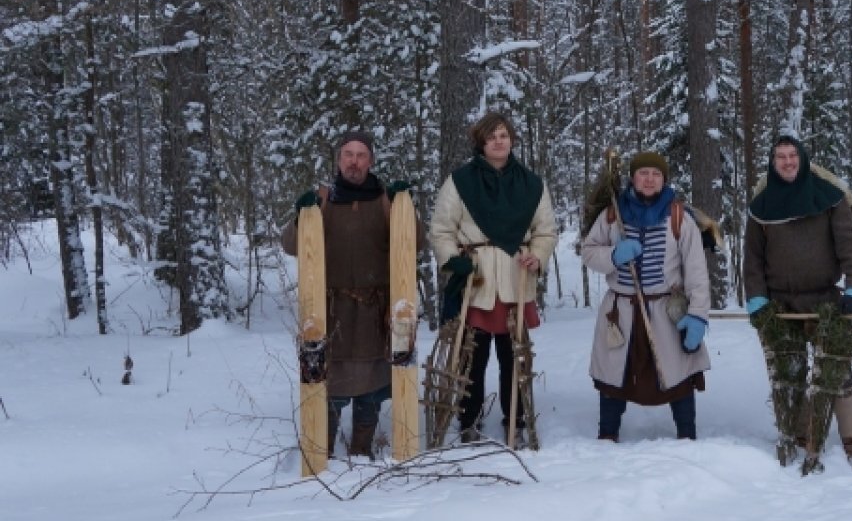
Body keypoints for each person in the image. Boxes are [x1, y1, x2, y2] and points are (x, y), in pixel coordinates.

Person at [282, 130, 421, 459]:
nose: (354, 161)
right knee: (329, 385)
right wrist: (301, 217)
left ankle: (361, 450)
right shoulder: (324, 199)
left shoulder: (387, 200)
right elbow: (290, 246)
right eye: (348, 154)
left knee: (372, 386)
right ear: (338, 159)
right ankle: (323, 449)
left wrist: (406, 209)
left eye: (361, 155)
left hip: (375, 312)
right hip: (332, 312)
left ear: (371, 160)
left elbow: (417, 244)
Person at [429, 112, 558, 446]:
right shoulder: (460, 181)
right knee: (472, 356)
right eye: (492, 137)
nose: (499, 141)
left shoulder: (532, 184)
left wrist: (538, 256)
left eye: (504, 135)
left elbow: (546, 231)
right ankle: (468, 419)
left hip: (516, 276)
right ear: (481, 143)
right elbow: (441, 229)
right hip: (478, 277)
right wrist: (453, 260)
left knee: (512, 356)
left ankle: (514, 419)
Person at [743, 133, 852, 475]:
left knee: (837, 369)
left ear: (803, 159)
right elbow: (752, 258)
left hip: (825, 299)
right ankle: (800, 436)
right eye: (780, 157)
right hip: (781, 304)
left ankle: (851, 440)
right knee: (790, 373)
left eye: (792, 156)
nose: (787, 162)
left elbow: (849, 247)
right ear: (773, 162)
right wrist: (756, 296)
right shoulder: (762, 205)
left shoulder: (829, 198)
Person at [581, 152, 711, 441]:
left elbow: (696, 272)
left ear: (664, 179)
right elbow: (588, 251)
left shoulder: (679, 217)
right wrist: (613, 255)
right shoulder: (612, 214)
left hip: (666, 310)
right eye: (643, 173)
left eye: (656, 174)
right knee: (615, 376)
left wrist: (698, 314)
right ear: (632, 178)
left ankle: (687, 435)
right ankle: (607, 435)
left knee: (678, 373)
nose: (649, 179)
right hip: (621, 310)